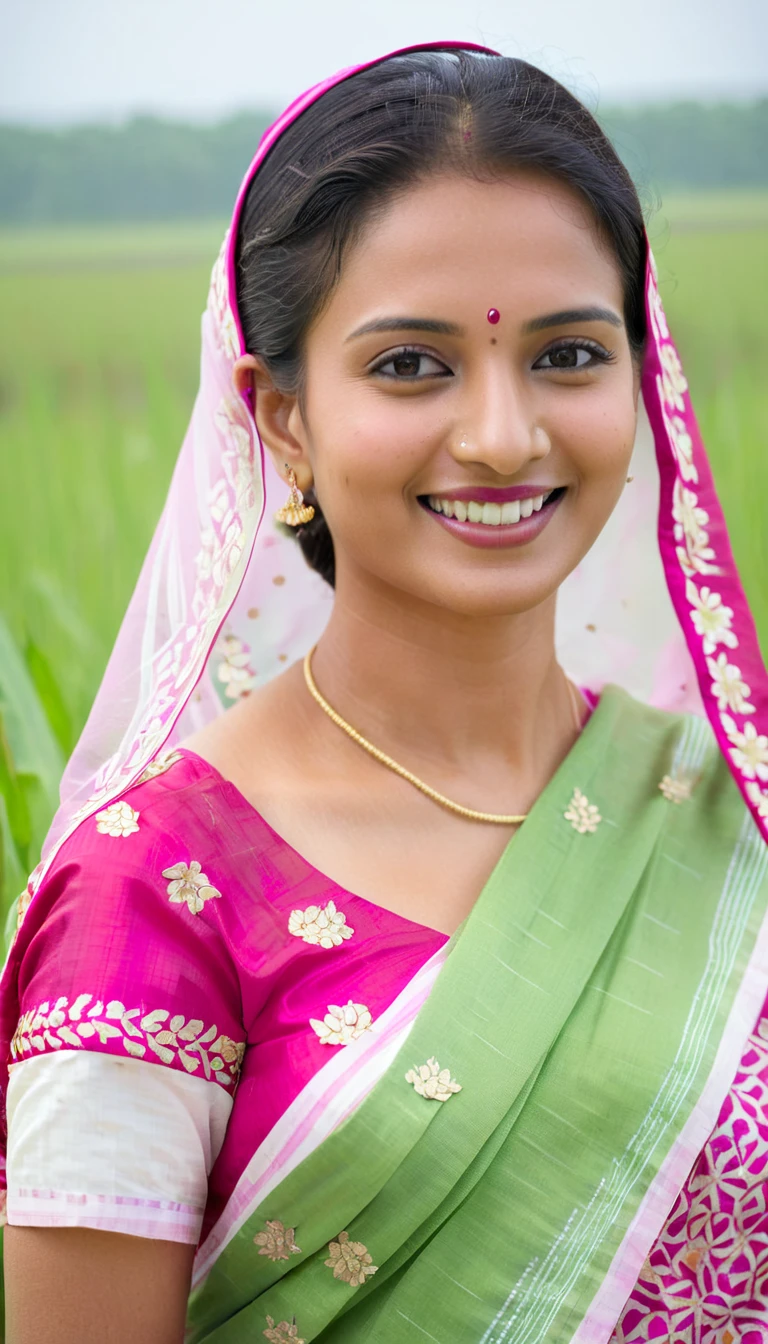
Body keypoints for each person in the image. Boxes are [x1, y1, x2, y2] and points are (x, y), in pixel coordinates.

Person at [2, 41, 767, 1344]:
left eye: (568, 356)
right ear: (281, 416)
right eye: (412, 366)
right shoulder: (158, 889)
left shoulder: (716, 814)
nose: (502, 435)